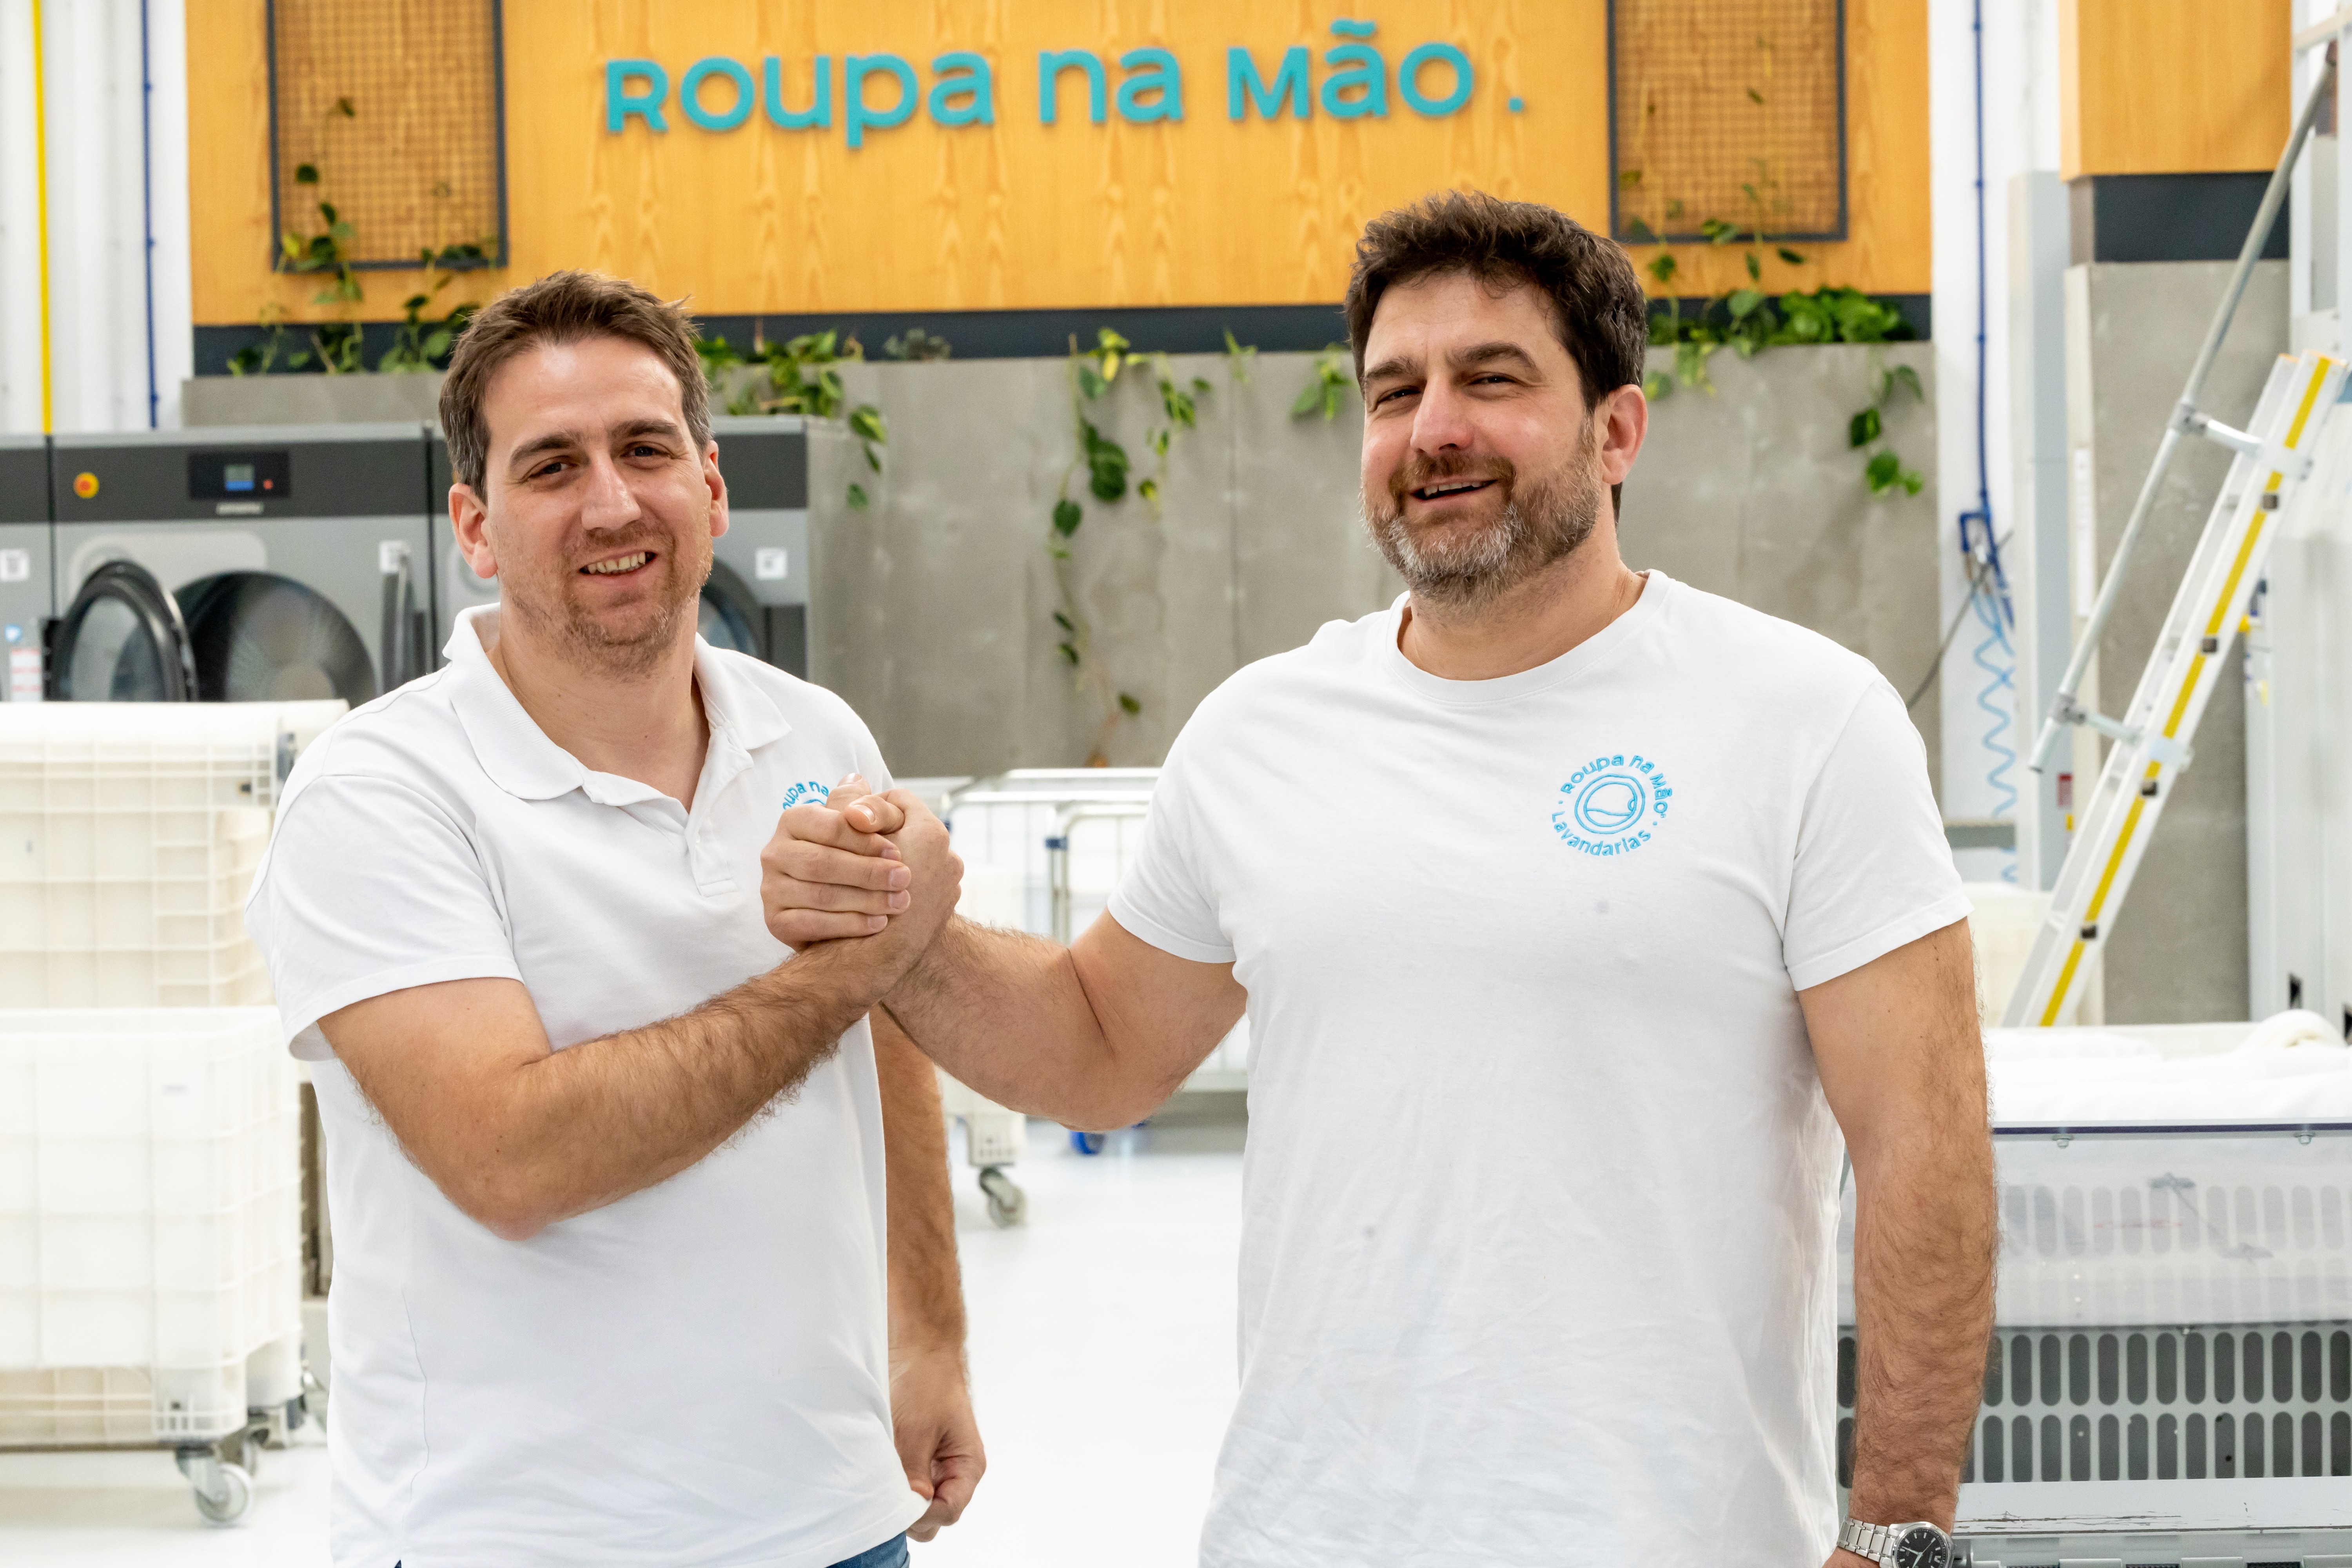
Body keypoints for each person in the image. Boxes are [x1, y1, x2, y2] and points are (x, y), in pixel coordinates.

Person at [764, 192, 1997, 1567]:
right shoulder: (1262, 732)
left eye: (1494, 379)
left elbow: (1923, 1143)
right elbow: (1100, 1050)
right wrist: (906, 933)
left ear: (1618, 430)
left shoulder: (1802, 720)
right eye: (1393, 390)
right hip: (1309, 1533)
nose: (1434, 429)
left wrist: (1896, 1532)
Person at [245, 270, 979, 1568]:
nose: (612, 502)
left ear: (711, 488)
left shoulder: (812, 733)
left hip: (832, 1517)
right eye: (551, 467)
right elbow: (510, 1157)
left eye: (647, 449)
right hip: (516, 1535)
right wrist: (847, 968)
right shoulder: (380, 792)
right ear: (474, 526)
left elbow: (891, 1035)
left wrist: (931, 1333)